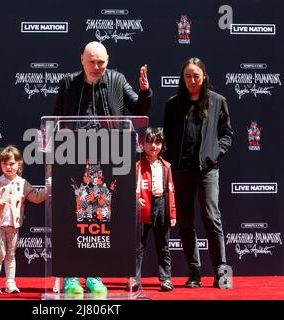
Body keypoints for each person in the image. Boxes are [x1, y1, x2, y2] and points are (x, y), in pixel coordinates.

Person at [53, 41, 153, 295]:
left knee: (99, 219)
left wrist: (145, 92)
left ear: (108, 60)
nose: (97, 67)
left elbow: (139, 109)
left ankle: (94, 275)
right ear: (82, 60)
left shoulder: (118, 80)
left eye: (101, 62)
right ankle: (70, 276)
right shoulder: (68, 83)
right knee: (73, 218)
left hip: (110, 156)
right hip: (73, 157)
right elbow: (56, 120)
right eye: (92, 62)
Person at [162, 57, 233, 288]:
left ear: (204, 77)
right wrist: (171, 158)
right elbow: (167, 137)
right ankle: (194, 272)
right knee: (185, 222)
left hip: (207, 170)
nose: (192, 80)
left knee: (212, 218)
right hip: (181, 171)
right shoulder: (173, 104)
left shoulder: (217, 101)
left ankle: (221, 271)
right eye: (187, 76)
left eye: (196, 76)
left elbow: (227, 134)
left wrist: (215, 154)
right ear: (182, 78)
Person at [0, 145, 47, 294]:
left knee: (11, 254)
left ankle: (10, 283)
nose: (8, 167)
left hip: (13, 226)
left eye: (12, 164)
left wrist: (49, 188)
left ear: (19, 164)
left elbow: (36, 197)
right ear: (1, 165)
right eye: (5, 164)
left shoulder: (22, 183)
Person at [131, 127, 176, 292]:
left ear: (162, 145)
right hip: (143, 207)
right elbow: (130, 189)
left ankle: (166, 279)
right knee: (138, 247)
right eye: (150, 142)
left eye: (157, 142)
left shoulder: (166, 166)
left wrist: (172, 213)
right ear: (143, 144)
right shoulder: (137, 166)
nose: (153, 146)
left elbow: (171, 190)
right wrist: (135, 199)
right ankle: (134, 279)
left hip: (161, 206)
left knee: (163, 246)